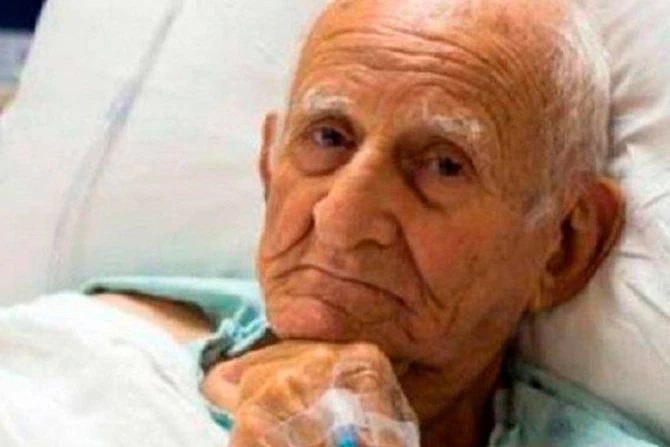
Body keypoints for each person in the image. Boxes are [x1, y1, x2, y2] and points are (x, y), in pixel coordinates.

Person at [0, 0, 665, 445]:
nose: (342, 218)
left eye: (443, 165)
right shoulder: (83, 354)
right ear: (270, 167)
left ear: (564, 246)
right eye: (328, 137)